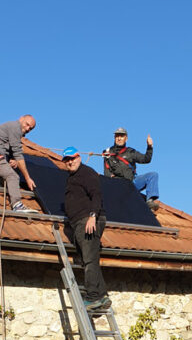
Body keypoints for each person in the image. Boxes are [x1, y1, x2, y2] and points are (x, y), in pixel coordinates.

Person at [62, 147, 111, 312]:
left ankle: (92, 297)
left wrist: (92, 216)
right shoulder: (73, 177)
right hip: (80, 221)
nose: (70, 162)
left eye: (72, 158)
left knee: (89, 260)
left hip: (87, 220)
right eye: (67, 160)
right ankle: (102, 295)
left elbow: (96, 194)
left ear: (79, 157)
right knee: (90, 259)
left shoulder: (87, 173)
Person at [103, 127, 160, 209]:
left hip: (132, 183)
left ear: (126, 138)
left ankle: (150, 201)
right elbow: (106, 173)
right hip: (118, 185)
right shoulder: (108, 153)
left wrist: (150, 147)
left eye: (121, 136)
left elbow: (146, 159)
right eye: (117, 136)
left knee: (153, 175)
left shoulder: (131, 152)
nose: (119, 138)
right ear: (114, 137)